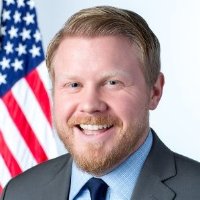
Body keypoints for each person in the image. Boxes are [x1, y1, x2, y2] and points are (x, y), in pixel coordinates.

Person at [1, 5, 200, 200]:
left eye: (112, 83)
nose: (89, 105)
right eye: (74, 84)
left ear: (154, 91)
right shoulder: (19, 192)